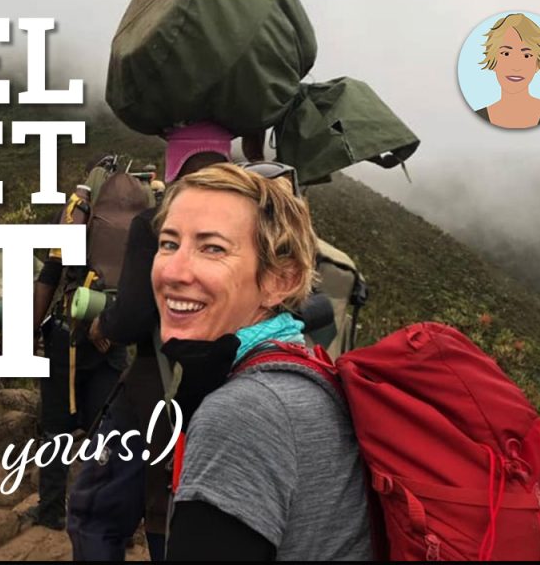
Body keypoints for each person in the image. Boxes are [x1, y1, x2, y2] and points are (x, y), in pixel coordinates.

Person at [152, 163, 371, 560]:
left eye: (212, 248)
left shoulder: (244, 413)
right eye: (169, 243)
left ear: (279, 281)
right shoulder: (307, 369)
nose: (173, 270)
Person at [67, 123, 233, 561]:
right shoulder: (261, 218)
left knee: (96, 513)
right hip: (242, 386)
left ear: (174, 166)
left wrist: (104, 324)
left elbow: (136, 317)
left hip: (160, 387)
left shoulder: (156, 223)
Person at [27, 160, 131, 530]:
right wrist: (113, 327)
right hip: (111, 341)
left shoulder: (73, 220)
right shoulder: (135, 227)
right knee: (106, 429)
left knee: (56, 428)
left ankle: (51, 511)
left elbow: (49, 277)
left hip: (65, 337)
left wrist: (30, 330)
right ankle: (107, 514)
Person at [475, 13, 540, 129]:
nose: (516, 66)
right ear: (493, 60)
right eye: (506, 54)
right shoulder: (476, 119)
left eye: (527, 55)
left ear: (537, 64)